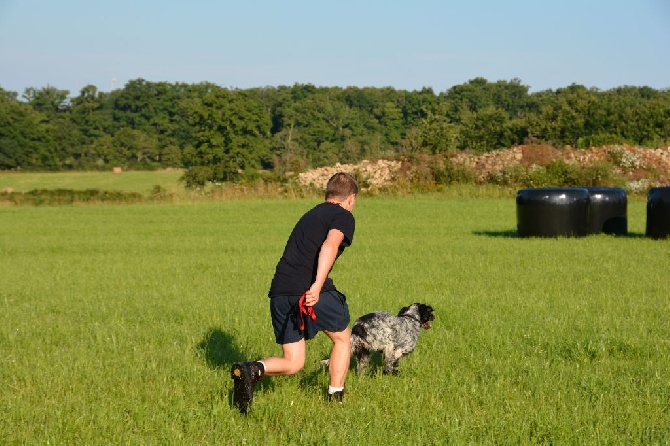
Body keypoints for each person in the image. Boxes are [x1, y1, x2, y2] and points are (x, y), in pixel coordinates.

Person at [230, 172, 358, 414]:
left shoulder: (311, 214)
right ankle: (336, 397)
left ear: (327, 194)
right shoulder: (343, 216)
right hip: (306, 290)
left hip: (280, 292)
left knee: (293, 362)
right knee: (342, 338)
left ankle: (252, 370)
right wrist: (317, 286)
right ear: (350, 198)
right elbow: (330, 245)